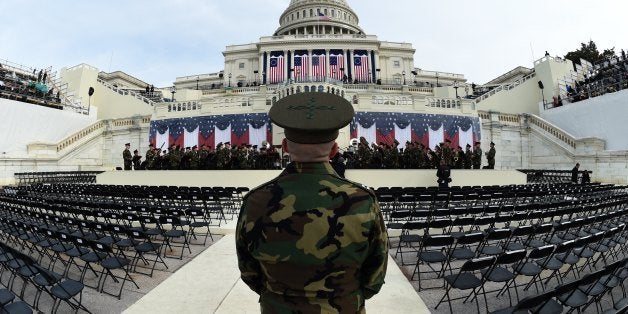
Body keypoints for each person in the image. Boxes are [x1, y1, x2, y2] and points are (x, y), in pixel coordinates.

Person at [236, 92, 388, 313]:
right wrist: (346, 297)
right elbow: (375, 274)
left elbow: (249, 271)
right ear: (334, 150)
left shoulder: (256, 201)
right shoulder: (362, 199)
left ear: (285, 147)